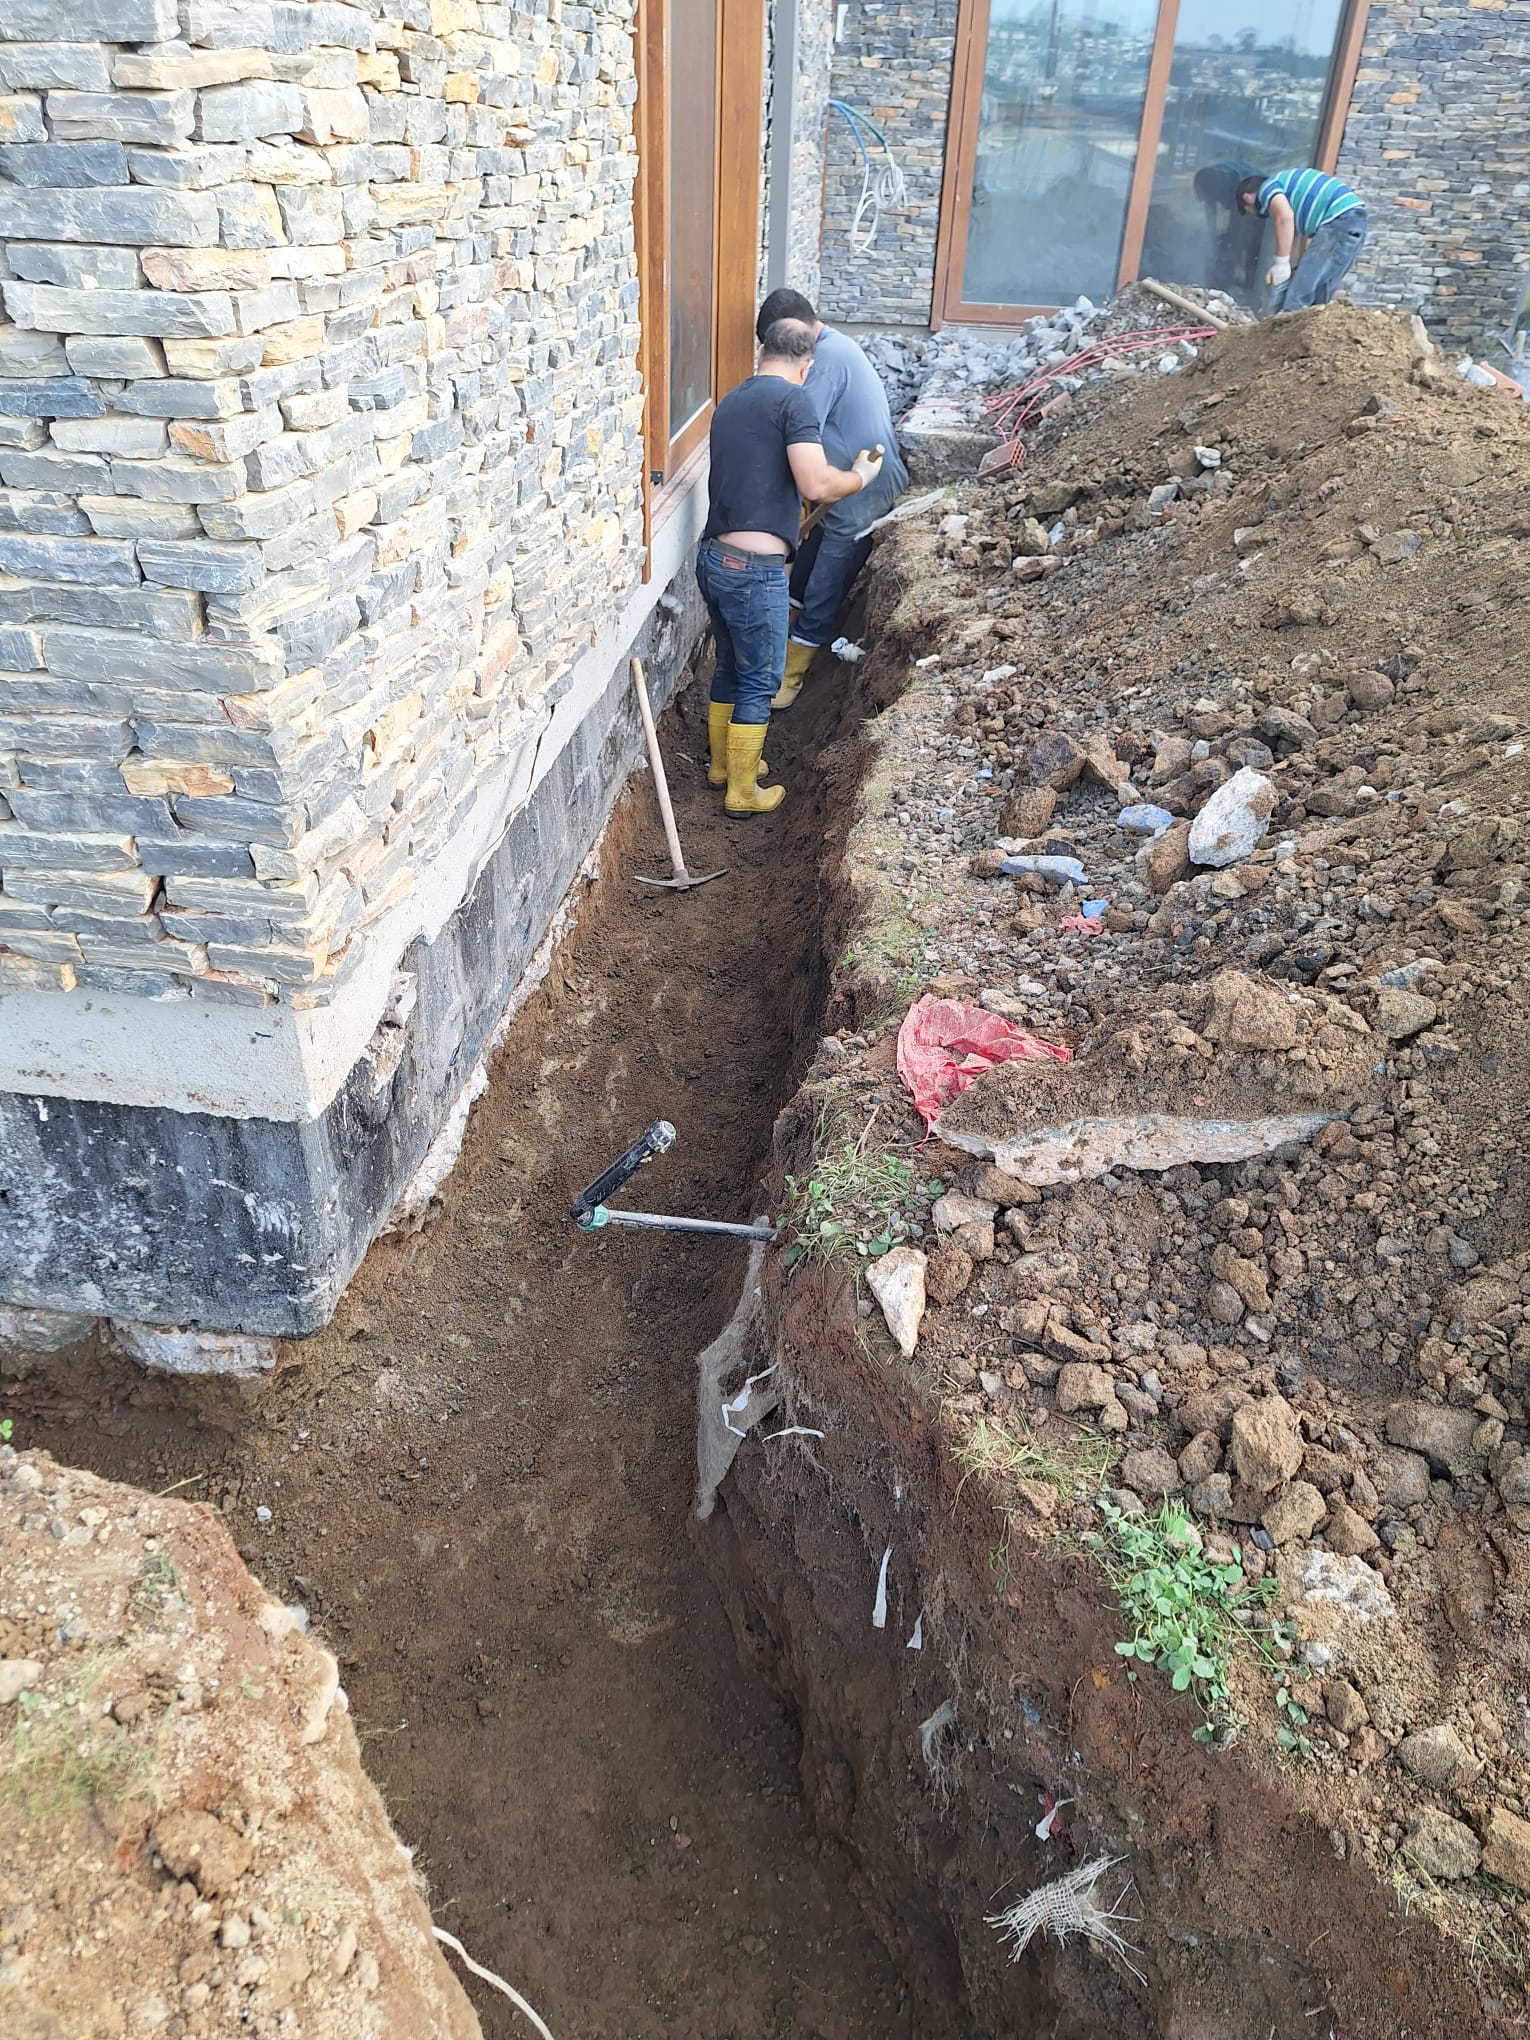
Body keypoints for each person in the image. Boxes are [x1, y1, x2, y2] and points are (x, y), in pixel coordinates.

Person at [697, 320, 883, 817]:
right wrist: (859, 477)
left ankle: (723, 765)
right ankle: (741, 791)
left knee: (732, 665)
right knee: (760, 678)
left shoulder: (732, 400)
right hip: (753, 571)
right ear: (808, 364)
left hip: (713, 559)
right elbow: (816, 484)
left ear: (763, 351)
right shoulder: (793, 401)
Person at [753, 288, 909, 710]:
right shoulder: (833, 347)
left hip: (861, 494)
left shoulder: (824, 361)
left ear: (798, 333)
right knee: (801, 575)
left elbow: (796, 427)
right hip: (839, 488)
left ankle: (791, 677)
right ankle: (777, 651)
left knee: (823, 587)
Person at [1236, 168, 1367, 315]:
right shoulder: (1286, 191)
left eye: (1249, 211)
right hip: (1354, 221)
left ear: (1247, 198)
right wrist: (1291, 267)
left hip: (1338, 221)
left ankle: (1285, 332)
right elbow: (1293, 234)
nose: (1256, 216)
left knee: (1298, 296)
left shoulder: (1267, 187)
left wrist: (1281, 263)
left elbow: (1284, 218)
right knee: (1320, 294)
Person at [1192, 160, 1263, 296]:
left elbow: (1239, 226)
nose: (1208, 201)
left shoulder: (1238, 189)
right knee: (1225, 244)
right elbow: (1210, 208)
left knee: (1251, 246)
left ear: (1216, 193)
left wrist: (1231, 254)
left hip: (1258, 207)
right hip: (1240, 200)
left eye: (1209, 198)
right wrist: (1212, 241)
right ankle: (1221, 281)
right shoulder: (1209, 180)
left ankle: (1248, 289)